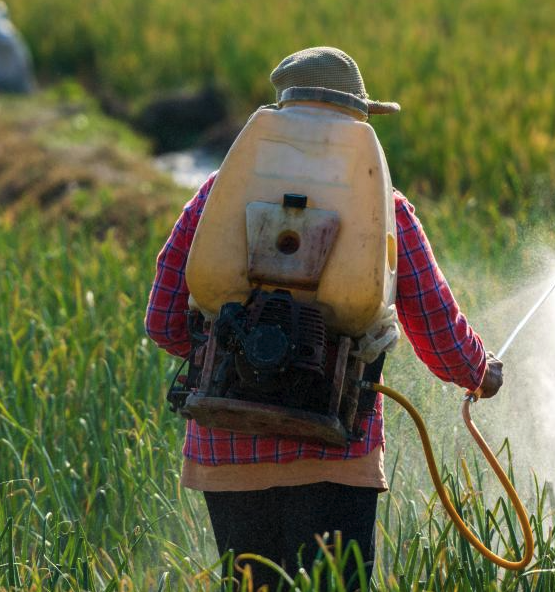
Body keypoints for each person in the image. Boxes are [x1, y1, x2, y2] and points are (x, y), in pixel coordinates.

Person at [145, 47, 503, 591]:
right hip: (335, 451)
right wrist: (481, 373)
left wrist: (235, 344)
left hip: (225, 452)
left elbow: (163, 322)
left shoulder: (215, 198)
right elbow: (436, 326)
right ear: (357, 120)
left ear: (281, 115)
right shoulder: (386, 209)